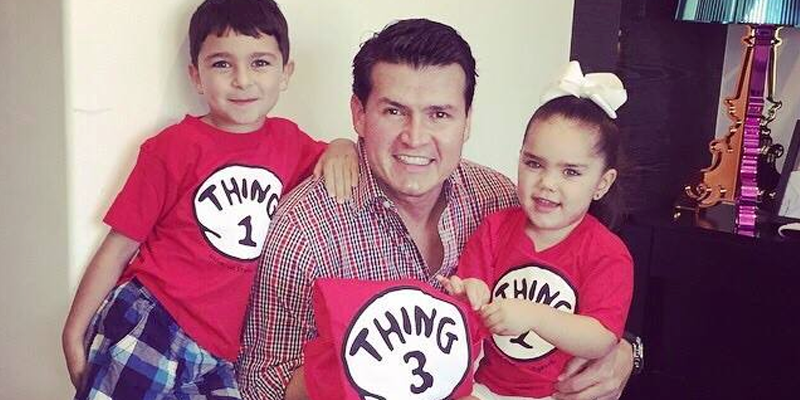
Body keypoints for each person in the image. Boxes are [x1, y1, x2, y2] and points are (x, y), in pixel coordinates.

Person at [236, 19, 636, 400]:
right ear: (359, 114)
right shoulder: (303, 229)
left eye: (439, 114)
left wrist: (623, 352)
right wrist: (357, 360)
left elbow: (584, 289)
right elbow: (261, 381)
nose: (415, 138)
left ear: (467, 121)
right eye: (394, 111)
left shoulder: (501, 198)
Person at [61, 0, 356, 398]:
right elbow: (119, 247)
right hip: (155, 319)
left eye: (260, 63)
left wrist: (342, 144)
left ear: (286, 72)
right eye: (221, 64)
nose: (242, 80)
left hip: (220, 351)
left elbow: (333, 158)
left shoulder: (290, 143)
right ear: (196, 76)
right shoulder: (172, 147)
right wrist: (73, 331)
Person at [439, 61, 633, 400]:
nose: (547, 183)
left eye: (570, 172)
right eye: (534, 163)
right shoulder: (495, 227)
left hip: (560, 393)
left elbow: (602, 337)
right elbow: (473, 295)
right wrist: (470, 292)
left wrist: (535, 317)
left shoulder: (607, 252)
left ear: (602, 183)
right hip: (487, 388)